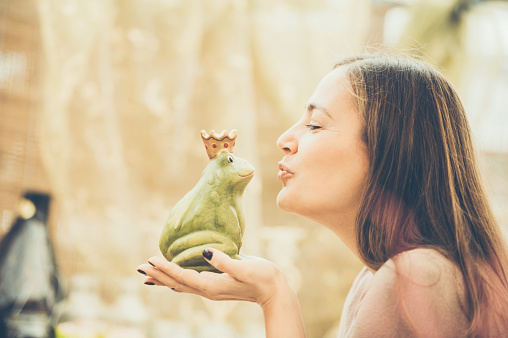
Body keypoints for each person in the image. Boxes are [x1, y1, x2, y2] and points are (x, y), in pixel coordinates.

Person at [137, 53, 508, 337]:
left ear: (389, 151)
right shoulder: (383, 274)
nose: (285, 139)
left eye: (315, 124)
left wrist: (274, 294)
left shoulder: (418, 278)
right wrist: (270, 287)